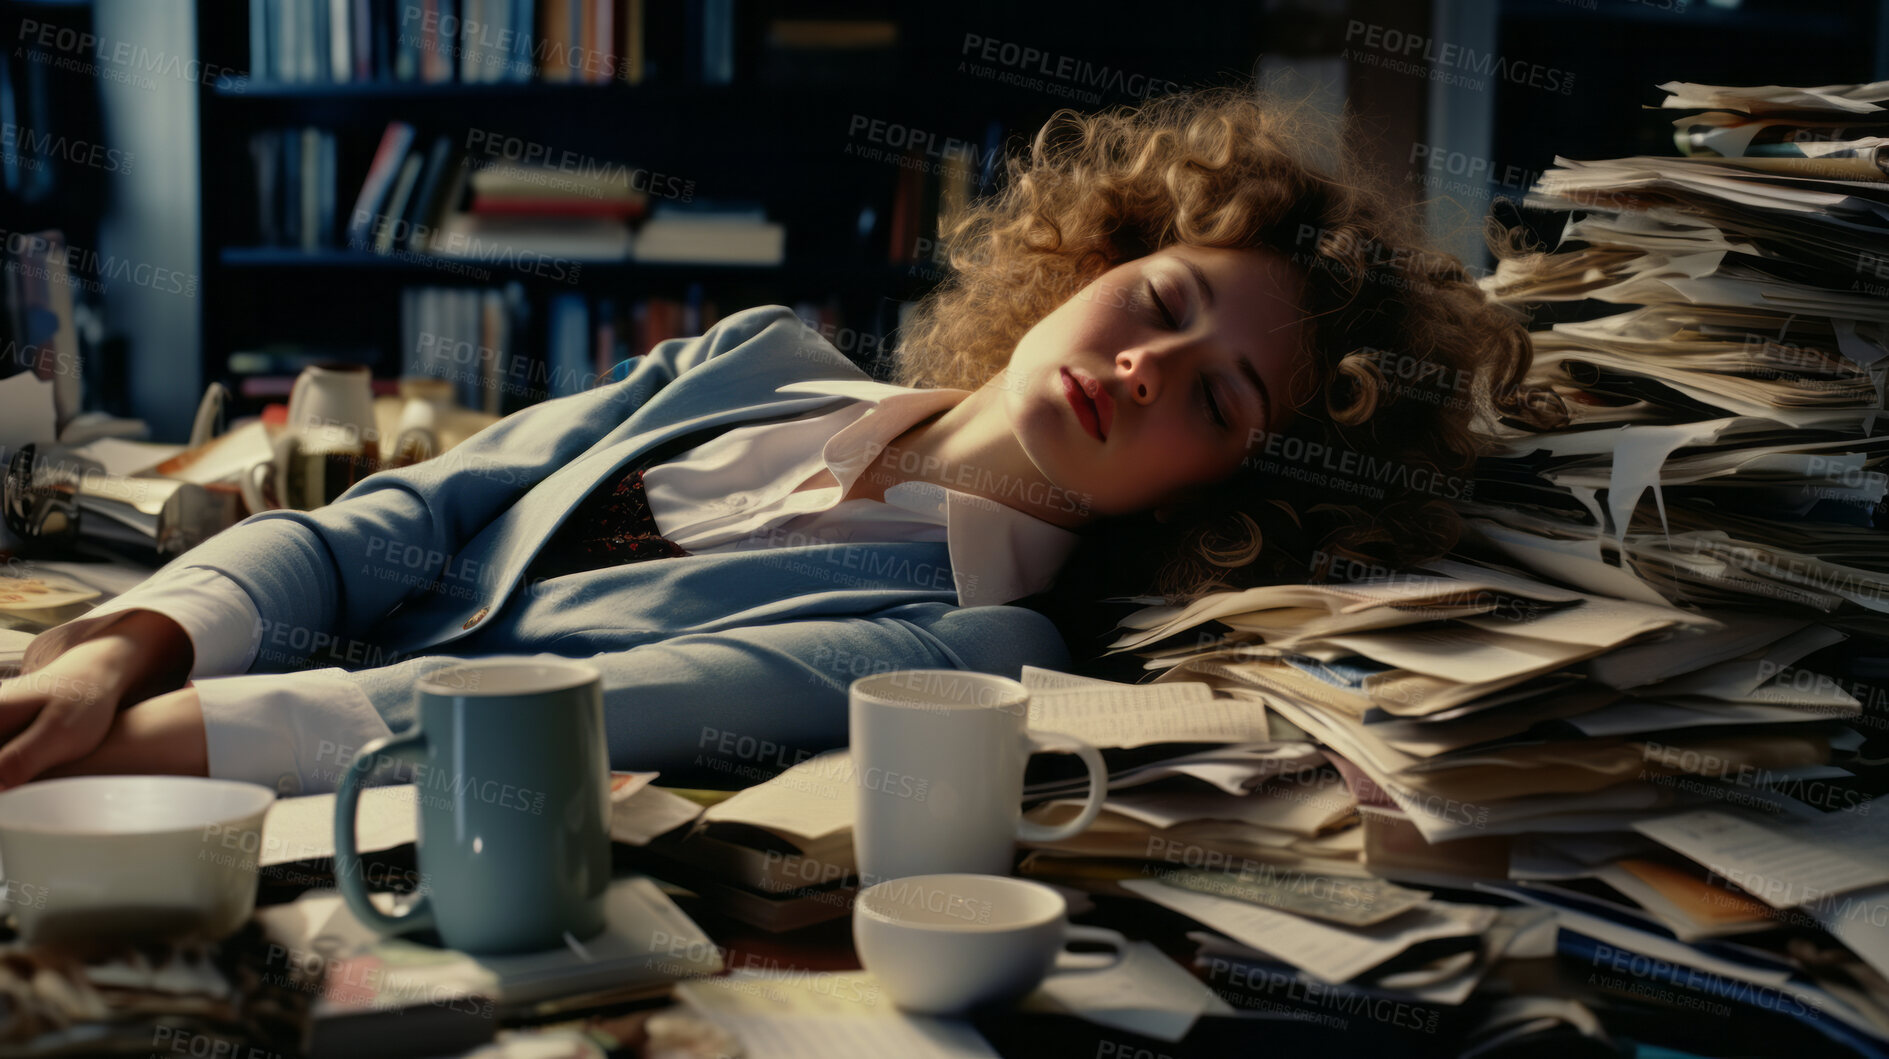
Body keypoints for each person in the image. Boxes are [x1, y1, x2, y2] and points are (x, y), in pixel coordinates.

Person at [0, 87, 1559, 794]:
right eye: (1157, 300)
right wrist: (103, 661)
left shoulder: (978, 637)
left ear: (1238, 483)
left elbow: (552, 711)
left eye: (1223, 397)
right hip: (157, 685)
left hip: (314, 807)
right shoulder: (749, 354)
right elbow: (396, 517)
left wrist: (90, 755)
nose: (1146, 370)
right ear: (1093, 258)